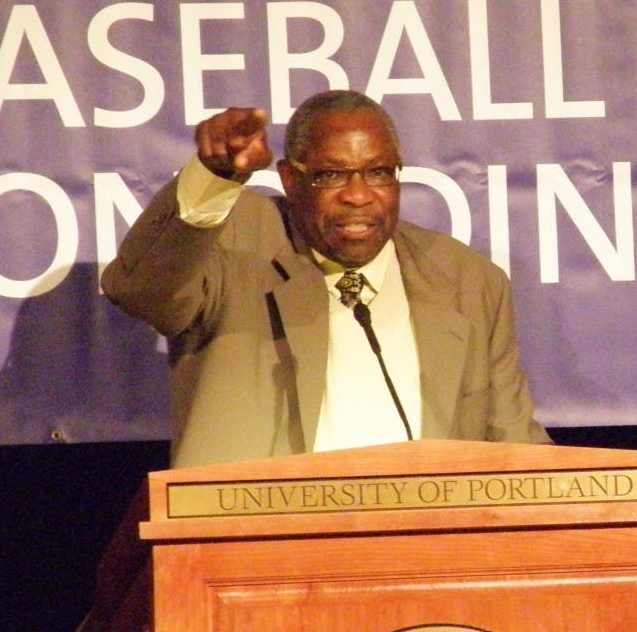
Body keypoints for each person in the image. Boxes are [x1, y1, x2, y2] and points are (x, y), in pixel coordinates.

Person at [100, 89, 550, 467]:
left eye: (378, 173)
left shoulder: (467, 281)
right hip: (257, 554)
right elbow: (140, 290)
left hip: (426, 554)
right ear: (290, 180)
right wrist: (215, 177)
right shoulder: (234, 242)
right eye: (331, 175)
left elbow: (513, 444)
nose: (358, 196)